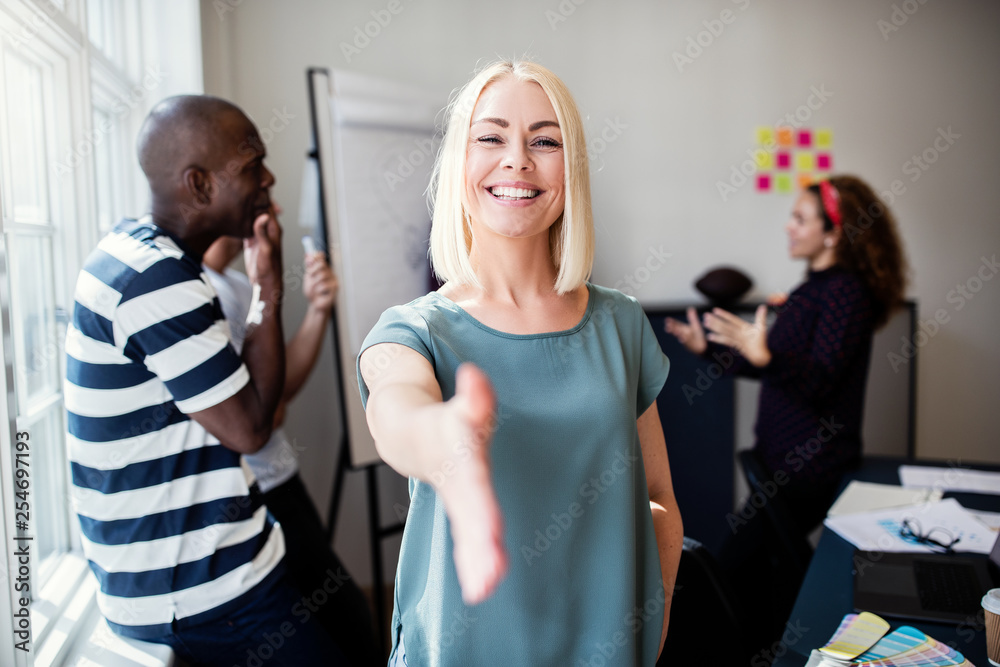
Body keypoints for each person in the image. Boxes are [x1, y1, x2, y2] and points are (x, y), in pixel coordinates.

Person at [357, 61, 684, 666]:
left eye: (545, 140)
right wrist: (446, 445)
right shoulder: (414, 330)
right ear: (460, 162)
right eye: (491, 137)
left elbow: (659, 497)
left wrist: (651, 620)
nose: (517, 160)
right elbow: (398, 410)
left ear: (573, 169)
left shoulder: (621, 324)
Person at [64, 95, 347, 665]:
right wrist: (268, 284)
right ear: (198, 185)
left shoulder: (144, 256)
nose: (268, 177)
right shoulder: (159, 281)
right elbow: (250, 429)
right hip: (202, 592)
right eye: (250, 167)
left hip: (191, 580)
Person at [665, 175, 907, 644]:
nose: (788, 227)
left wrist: (768, 356)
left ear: (834, 233)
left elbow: (820, 380)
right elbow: (773, 369)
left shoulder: (846, 294)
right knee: (757, 583)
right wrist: (708, 350)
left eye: (800, 218)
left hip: (809, 471)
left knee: (721, 575)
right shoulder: (813, 290)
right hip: (779, 466)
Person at [202, 230, 381, 666]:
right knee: (346, 628)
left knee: (346, 620)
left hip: (281, 479)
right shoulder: (205, 292)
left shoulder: (236, 284)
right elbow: (269, 414)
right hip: (257, 494)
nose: (275, 208)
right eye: (259, 185)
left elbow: (280, 386)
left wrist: (318, 311)